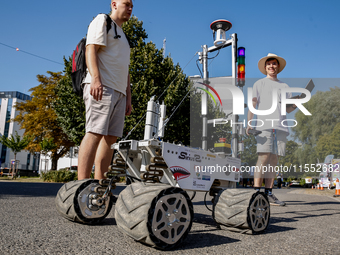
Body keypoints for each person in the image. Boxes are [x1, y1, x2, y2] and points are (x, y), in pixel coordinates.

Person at [78, 0, 133, 180]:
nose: (130, 8)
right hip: (102, 86)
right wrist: (95, 79)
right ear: (114, 4)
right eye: (127, 4)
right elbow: (91, 49)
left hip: (119, 92)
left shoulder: (124, 36)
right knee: (94, 132)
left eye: (132, 5)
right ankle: (81, 186)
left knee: (110, 139)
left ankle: (99, 186)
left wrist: (128, 98)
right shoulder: (102, 20)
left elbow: (125, 70)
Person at [246, 53, 299, 206]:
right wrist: (249, 123)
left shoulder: (285, 86)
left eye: (274, 64)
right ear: (265, 67)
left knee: (274, 161)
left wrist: (297, 103)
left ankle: (268, 193)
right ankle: (256, 192)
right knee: (263, 158)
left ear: (278, 67)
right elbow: (253, 104)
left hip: (281, 127)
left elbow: (287, 109)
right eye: (269, 64)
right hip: (264, 125)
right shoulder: (259, 84)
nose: (271, 66)